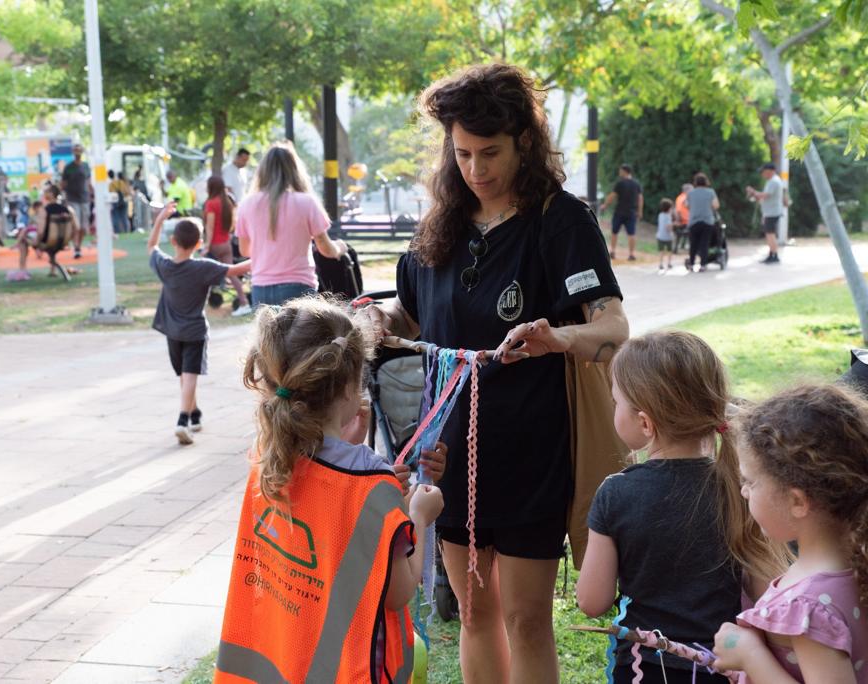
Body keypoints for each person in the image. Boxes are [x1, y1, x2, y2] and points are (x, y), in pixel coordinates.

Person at [362, 63, 629, 683]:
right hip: (447, 452)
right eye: (462, 154)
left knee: (527, 617)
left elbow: (612, 329)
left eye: (491, 153)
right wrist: (379, 320)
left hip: (535, 449)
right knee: (475, 611)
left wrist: (557, 335)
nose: (476, 171)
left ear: (525, 143)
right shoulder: (441, 224)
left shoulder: (560, 220)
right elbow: (411, 313)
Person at [214, 297, 446, 683]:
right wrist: (419, 515)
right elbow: (398, 591)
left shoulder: (268, 457)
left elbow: (325, 501)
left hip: (280, 662)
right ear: (349, 388)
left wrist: (351, 444)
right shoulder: (372, 483)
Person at [577, 331, 790, 683]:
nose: (614, 409)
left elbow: (592, 601)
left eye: (616, 403)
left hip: (641, 667)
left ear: (645, 423)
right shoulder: (739, 487)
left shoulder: (615, 492)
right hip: (721, 666)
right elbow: (763, 590)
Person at [713, 383, 868, 683]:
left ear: (797, 501)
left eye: (751, 482)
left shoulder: (808, 608)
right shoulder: (853, 564)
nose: (743, 492)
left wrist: (750, 656)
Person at [147, 201, 251, 443]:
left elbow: (151, 245)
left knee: (185, 374)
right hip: (194, 331)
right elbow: (235, 270)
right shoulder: (203, 267)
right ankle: (185, 417)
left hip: (172, 331)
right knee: (189, 373)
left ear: (173, 241)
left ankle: (193, 414)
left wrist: (161, 219)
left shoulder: (165, 266)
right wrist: (264, 255)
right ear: (199, 243)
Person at [236, 142, 347, 307]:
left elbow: (245, 250)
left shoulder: (247, 204)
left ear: (263, 171)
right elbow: (325, 248)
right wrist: (340, 248)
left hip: (261, 289)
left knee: (268, 334)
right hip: (298, 286)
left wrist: (270, 249)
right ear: (294, 170)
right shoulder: (307, 202)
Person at [203, 175, 251, 316]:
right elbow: (232, 226)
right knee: (232, 274)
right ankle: (244, 302)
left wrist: (206, 245)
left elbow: (210, 227)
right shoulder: (227, 203)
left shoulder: (211, 203)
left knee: (204, 273)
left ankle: (200, 301)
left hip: (215, 245)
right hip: (226, 244)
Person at [599, 164, 643, 261]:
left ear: (625, 171)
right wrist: (640, 211)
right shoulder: (636, 184)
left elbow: (612, 196)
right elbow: (640, 198)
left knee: (614, 232)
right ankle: (631, 254)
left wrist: (605, 205)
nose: (619, 173)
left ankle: (613, 252)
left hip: (619, 212)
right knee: (631, 233)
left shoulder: (620, 183)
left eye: (620, 171)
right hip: (632, 212)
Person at [745, 162, 785, 264]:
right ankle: (771, 254)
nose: (762, 174)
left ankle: (774, 255)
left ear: (770, 171)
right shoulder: (772, 181)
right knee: (769, 234)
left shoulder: (774, 181)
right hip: (770, 212)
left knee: (770, 234)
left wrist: (753, 192)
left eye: (764, 172)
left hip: (772, 212)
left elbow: (765, 195)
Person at [685, 172, 720, 272]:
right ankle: (703, 265)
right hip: (707, 221)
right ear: (706, 182)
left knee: (693, 244)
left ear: (695, 182)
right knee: (704, 243)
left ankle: (691, 264)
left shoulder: (691, 193)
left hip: (694, 221)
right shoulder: (711, 192)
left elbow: (687, 206)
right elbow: (716, 205)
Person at [61, 143, 91, 259]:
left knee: (84, 227)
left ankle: (79, 244)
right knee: (76, 225)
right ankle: (76, 247)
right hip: (72, 199)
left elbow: (88, 182)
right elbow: (63, 184)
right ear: (73, 152)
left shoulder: (86, 166)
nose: (78, 152)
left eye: (79, 150)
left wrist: (92, 194)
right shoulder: (69, 167)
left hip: (85, 199)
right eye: (75, 150)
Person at [672, 182, 693, 253]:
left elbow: (677, 210)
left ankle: (680, 246)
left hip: (680, 221)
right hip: (686, 222)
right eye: (691, 189)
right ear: (687, 190)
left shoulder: (679, 197)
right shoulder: (687, 198)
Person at [109, 170, 131, 234]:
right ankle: (126, 231)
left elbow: (110, 194)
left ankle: (117, 231)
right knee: (124, 217)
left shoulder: (111, 184)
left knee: (115, 217)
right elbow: (127, 192)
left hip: (115, 202)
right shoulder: (121, 182)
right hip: (123, 201)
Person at [656, 197, 674, 271]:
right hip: (667, 237)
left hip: (660, 235)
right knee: (669, 250)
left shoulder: (660, 215)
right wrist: (672, 230)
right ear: (669, 208)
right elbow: (668, 227)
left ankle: (660, 263)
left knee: (661, 251)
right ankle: (669, 263)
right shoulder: (668, 216)